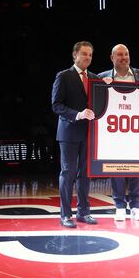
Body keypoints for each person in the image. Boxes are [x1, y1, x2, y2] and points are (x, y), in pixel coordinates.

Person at [98, 44, 139, 221]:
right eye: (119, 54)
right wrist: (101, 89)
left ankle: (136, 206)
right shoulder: (102, 77)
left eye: (126, 54)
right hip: (113, 133)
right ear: (112, 58)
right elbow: (96, 104)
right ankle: (119, 206)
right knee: (116, 170)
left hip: (136, 131)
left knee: (138, 168)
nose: (124, 57)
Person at [51, 41, 100, 228]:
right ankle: (65, 215)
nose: (87, 57)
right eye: (84, 54)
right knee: (68, 173)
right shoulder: (64, 76)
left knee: (85, 175)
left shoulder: (95, 78)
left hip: (89, 134)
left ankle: (83, 212)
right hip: (69, 132)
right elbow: (56, 105)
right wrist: (77, 115)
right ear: (75, 55)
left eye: (90, 54)